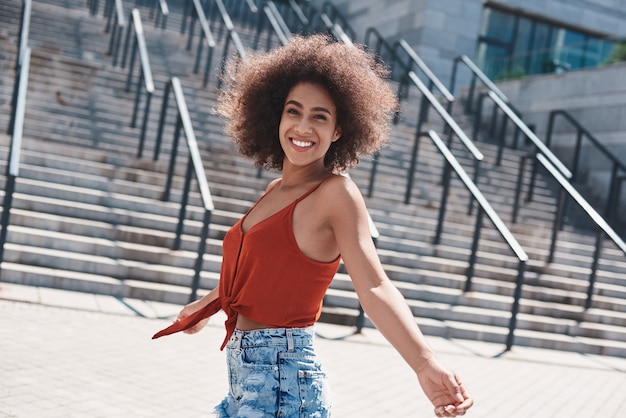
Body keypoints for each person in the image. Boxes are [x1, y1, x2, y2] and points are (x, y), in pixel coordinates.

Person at [153, 34, 473, 418]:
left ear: (339, 129)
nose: (303, 127)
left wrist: (425, 363)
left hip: (283, 382)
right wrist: (206, 305)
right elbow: (259, 270)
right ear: (276, 116)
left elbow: (374, 285)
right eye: (294, 111)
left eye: (320, 116)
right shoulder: (276, 189)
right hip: (245, 380)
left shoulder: (336, 193)